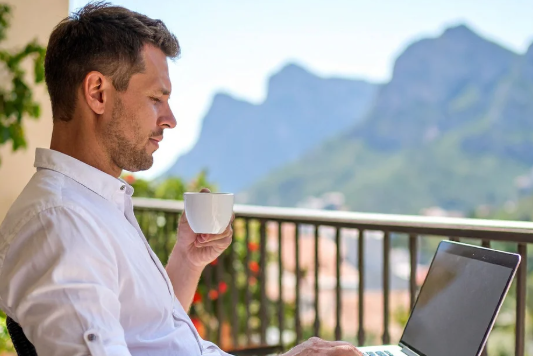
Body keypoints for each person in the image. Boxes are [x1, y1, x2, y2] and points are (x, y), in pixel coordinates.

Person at [0, 3, 362, 356]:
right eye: (157, 98)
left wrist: (188, 261)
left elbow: (150, 332)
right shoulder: (61, 223)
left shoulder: (93, 202)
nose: (170, 119)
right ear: (98, 93)